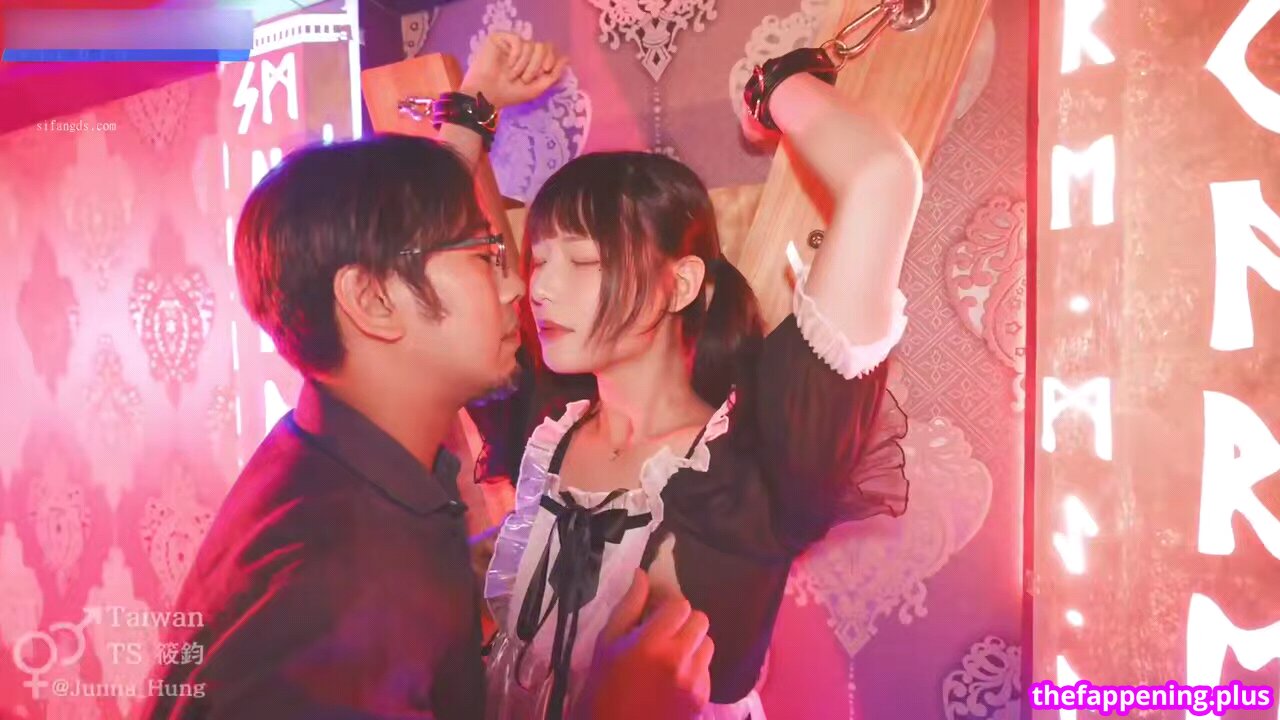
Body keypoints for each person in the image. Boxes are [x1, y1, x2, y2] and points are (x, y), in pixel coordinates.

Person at [139, 33, 713, 720]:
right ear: (373, 303)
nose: (519, 288)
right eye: (484, 255)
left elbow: (403, 241)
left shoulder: (337, 468)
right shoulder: (341, 591)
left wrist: (472, 111)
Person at [475, 60, 919, 720]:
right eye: (539, 258)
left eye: (584, 260)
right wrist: (474, 109)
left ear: (678, 285)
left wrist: (776, 87)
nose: (540, 286)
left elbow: (882, 176)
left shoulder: (749, 465)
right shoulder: (546, 423)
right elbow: (474, 252)